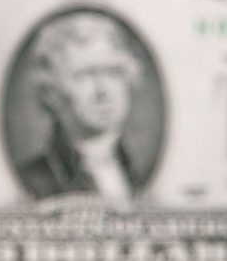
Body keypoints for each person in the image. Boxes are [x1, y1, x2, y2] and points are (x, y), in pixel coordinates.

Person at [18, 11, 144, 200]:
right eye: (84, 76)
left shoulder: (138, 174)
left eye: (113, 72)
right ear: (50, 93)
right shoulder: (31, 182)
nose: (103, 90)